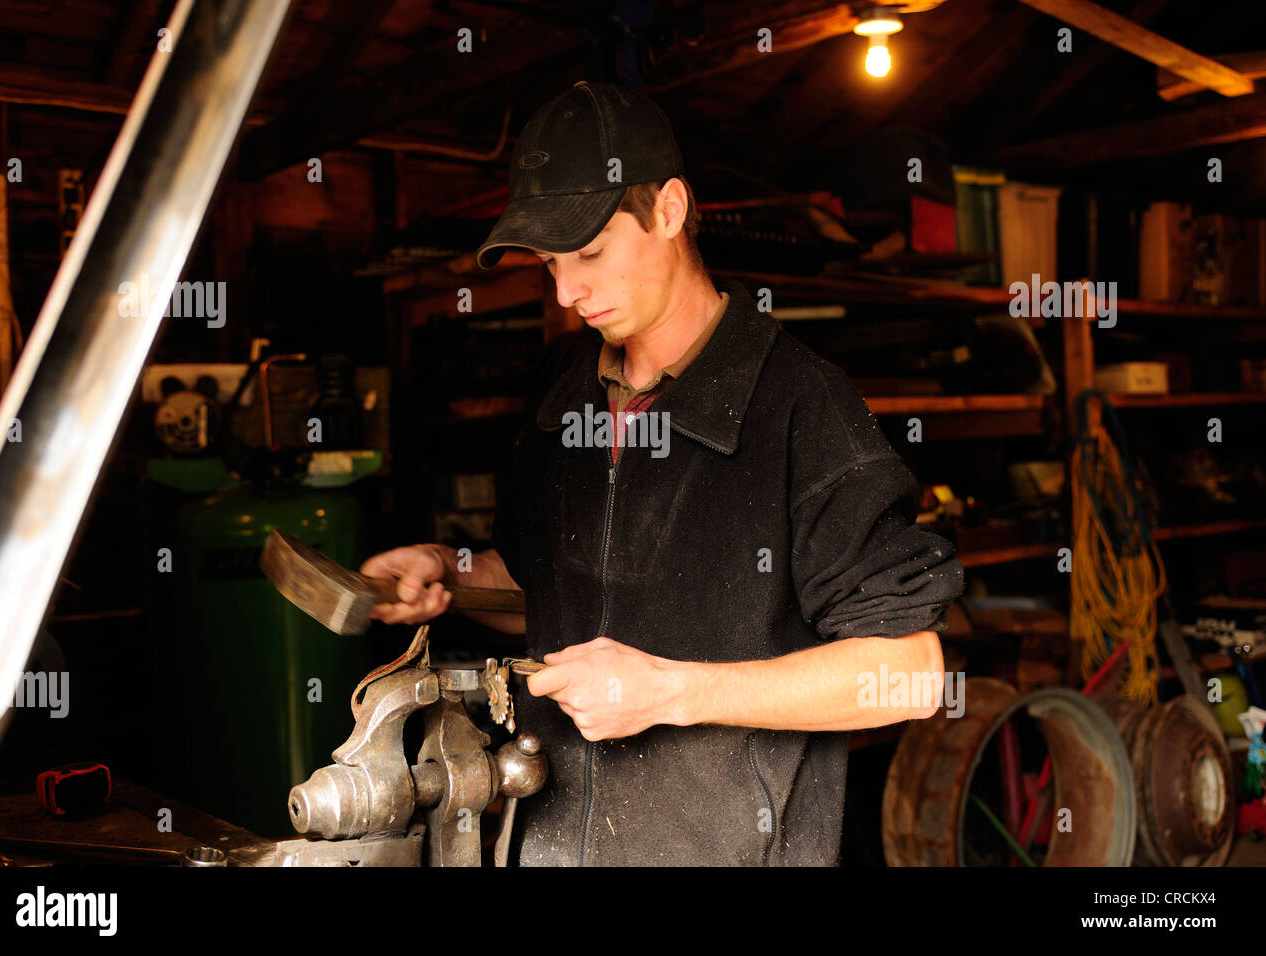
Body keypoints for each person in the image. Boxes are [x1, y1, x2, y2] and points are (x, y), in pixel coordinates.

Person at [361, 80, 965, 865]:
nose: (567, 291)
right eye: (550, 262)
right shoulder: (564, 392)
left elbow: (909, 674)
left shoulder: (799, 407)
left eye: (590, 252)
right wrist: (452, 571)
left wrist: (674, 692)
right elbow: (548, 591)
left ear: (671, 211)